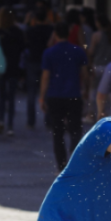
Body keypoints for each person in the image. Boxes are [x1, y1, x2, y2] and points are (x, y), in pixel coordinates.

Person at [40, 22, 88, 170]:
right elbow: (85, 73)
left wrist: (42, 96)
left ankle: (61, 164)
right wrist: (85, 89)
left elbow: (46, 77)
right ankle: (74, 160)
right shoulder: (78, 51)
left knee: (58, 132)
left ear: (55, 34)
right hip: (73, 94)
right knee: (75, 130)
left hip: (55, 95)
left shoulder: (49, 53)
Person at [0, 7, 25, 135]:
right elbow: (22, 48)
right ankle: (10, 125)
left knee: (0, 96)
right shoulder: (18, 32)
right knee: (11, 97)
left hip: (0, 67)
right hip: (14, 67)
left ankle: (0, 120)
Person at [24, 11, 54, 129]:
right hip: (47, 61)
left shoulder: (30, 30)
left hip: (32, 61)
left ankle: (31, 121)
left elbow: (25, 42)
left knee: (31, 92)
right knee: (47, 90)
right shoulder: (50, 29)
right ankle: (48, 120)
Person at [86, 16, 111, 116]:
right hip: (109, 66)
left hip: (98, 65)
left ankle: (93, 112)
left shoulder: (96, 35)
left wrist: (85, 48)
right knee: (109, 91)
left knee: (94, 89)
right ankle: (108, 111)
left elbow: (91, 51)